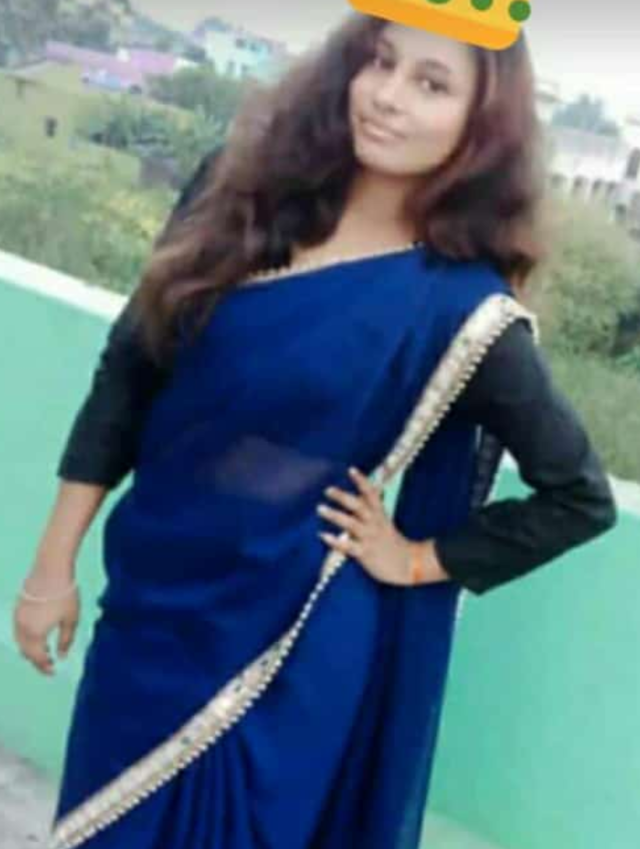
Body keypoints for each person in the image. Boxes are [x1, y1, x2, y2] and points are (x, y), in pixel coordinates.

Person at [13, 14, 617, 849]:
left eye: (432, 83)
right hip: (148, 611)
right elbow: (130, 372)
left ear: (481, 125)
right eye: (381, 62)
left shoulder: (460, 307)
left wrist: (414, 558)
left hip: (285, 642)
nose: (389, 96)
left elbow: (579, 496)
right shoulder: (236, 191)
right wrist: (52, 566)